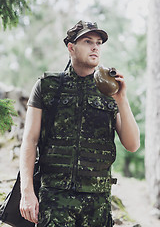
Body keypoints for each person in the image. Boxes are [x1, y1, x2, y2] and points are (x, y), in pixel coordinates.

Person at [19, 20, 140, 227]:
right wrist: (27, 192)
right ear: (71, 47)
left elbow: (132, 144)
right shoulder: (47, 86)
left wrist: (122, 99)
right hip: (55, 199)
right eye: (87, 41)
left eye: (99, 42)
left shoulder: (110, 91)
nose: (95, 47)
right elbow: (29, 141)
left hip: (97, 202)